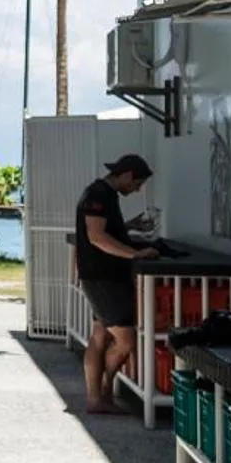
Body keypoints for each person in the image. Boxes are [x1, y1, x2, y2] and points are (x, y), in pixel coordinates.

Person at [76, 153, 157, 415]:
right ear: (127, 175)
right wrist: (136, 254)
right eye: (137, 184)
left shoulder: (103, 195)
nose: (137, 190)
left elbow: (106, 229)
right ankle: (102, 388)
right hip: (104, 278)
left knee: (100, 336)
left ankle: (96, 398)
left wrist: (129, 226)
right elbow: (97, 237)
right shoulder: (99, 196)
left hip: (98, 276)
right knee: (126, 341)